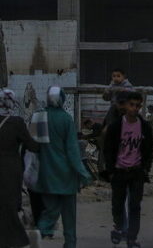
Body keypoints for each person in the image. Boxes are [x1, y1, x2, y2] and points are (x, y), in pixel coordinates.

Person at [36, 87, 92, 247]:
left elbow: (34, 146)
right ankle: (70, 243)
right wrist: (84, 174)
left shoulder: (39, 117)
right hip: (66, 176)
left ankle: (40, 231)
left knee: (50, 211)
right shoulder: (66, 120)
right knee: (69, 215)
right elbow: (73, 152)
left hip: (46, 174)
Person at [103, 91, 153, 248]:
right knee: (117, 204)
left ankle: (132, 237)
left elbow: (149, 149)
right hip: (119, 171)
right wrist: (111, 171)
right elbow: (108, 149)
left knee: (135, 205)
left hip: (136, 172)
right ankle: (119, 228)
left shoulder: (144, 127)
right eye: (132, 105)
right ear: (126, 105)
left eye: (138, 106)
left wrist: (145, 169)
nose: (134, 108)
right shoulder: (116, 126)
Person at [0, 88, 39, 248]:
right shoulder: (16, 122)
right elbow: (32, 145)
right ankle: (17, 240)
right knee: (10, 205)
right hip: (10, 169)